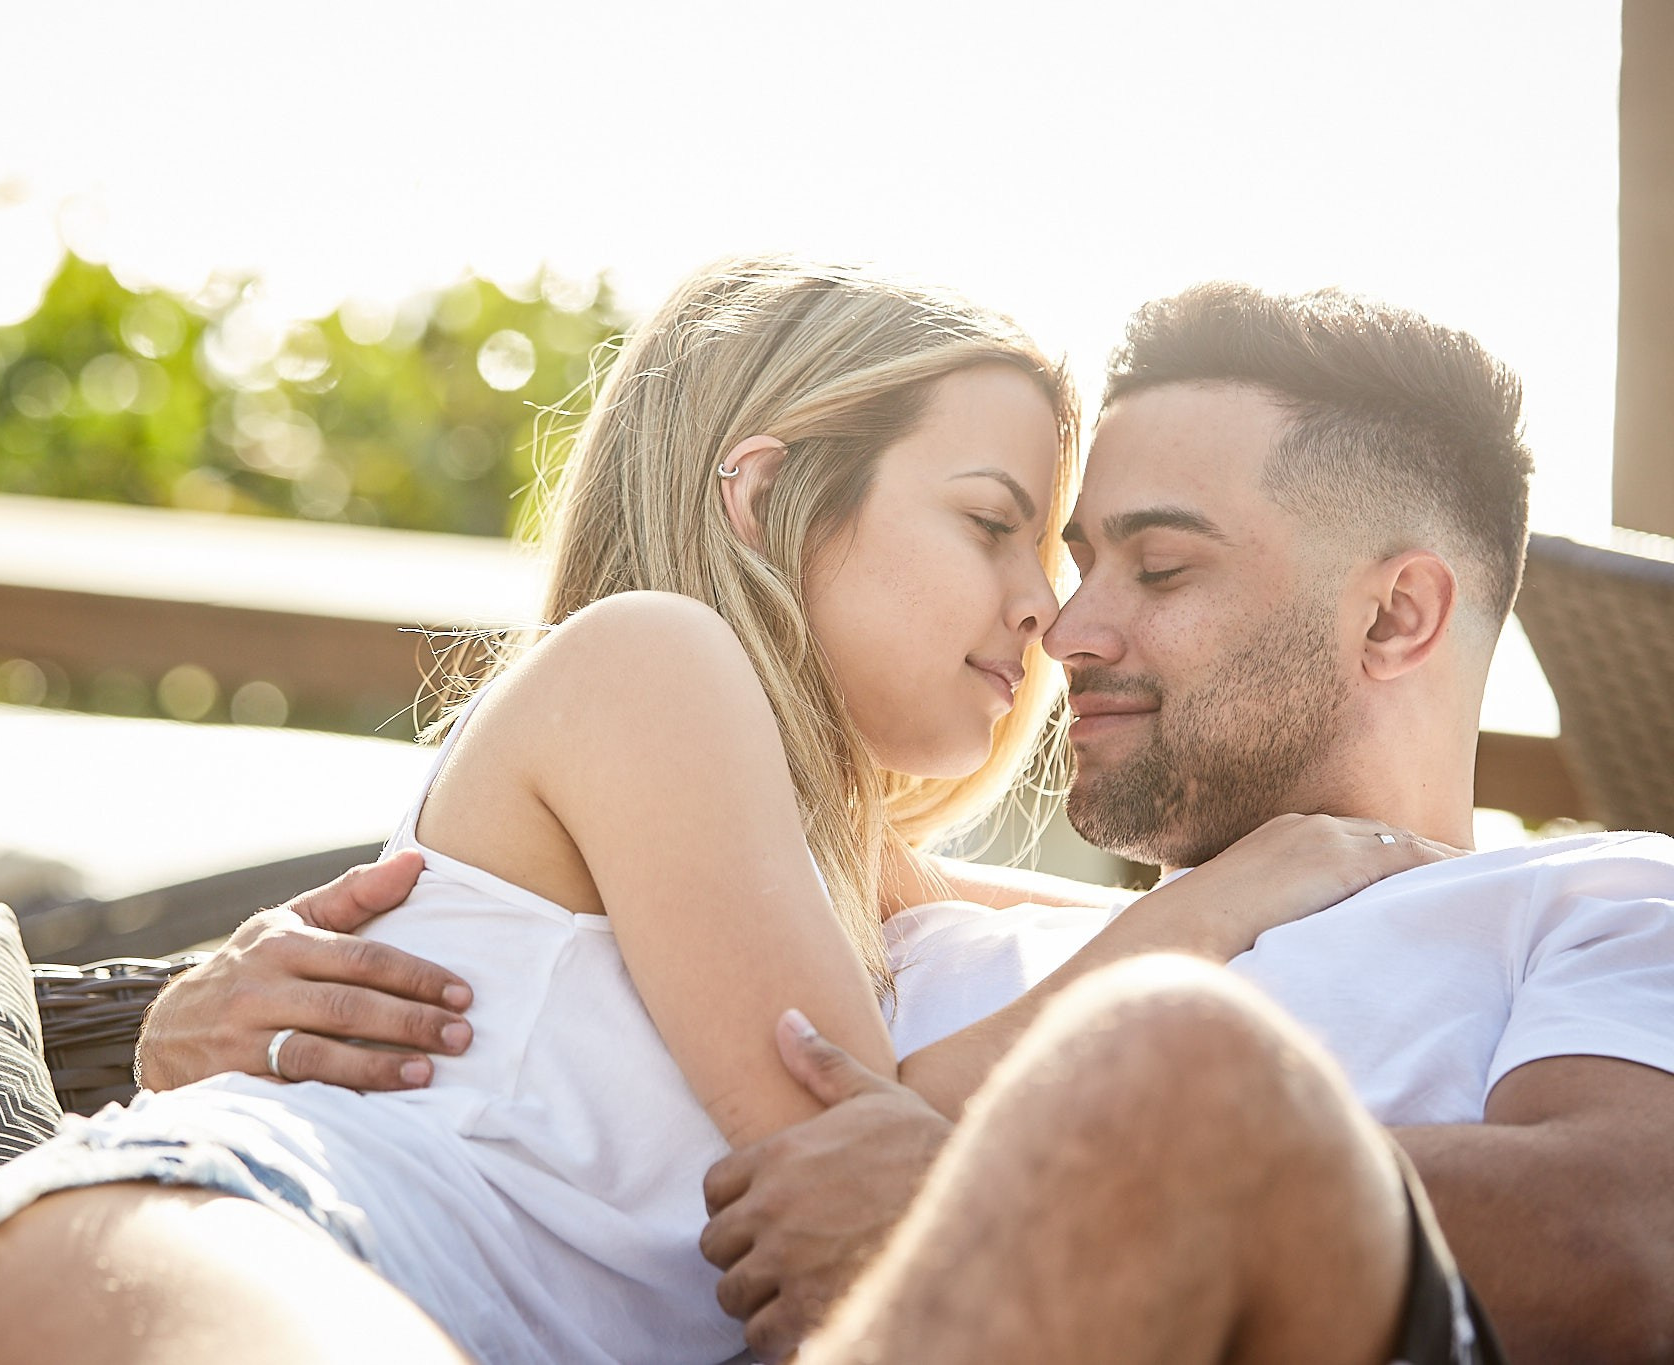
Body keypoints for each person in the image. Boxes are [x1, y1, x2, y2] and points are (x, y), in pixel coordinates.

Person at [0, 260, 1429, 1365]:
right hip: (227, 1238)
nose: (1045, 614)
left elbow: (1120, 952)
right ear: (769, 494)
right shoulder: (652, 663)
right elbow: (845, 1135)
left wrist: (1394, 872)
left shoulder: (855, 884)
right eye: (993, 522)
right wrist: (1221, 901)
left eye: (1053, 555)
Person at [141, 284, 1674, 1365]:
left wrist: (1025, 1172)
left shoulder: (1597, 900)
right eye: (1038, 546)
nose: (1063, 624)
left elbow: (1624, 1248)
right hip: (274, 1258)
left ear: (1399, 611)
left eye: (1160, 564)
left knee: (1183, 1067)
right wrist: (195, 1009)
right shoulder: (875, 903)